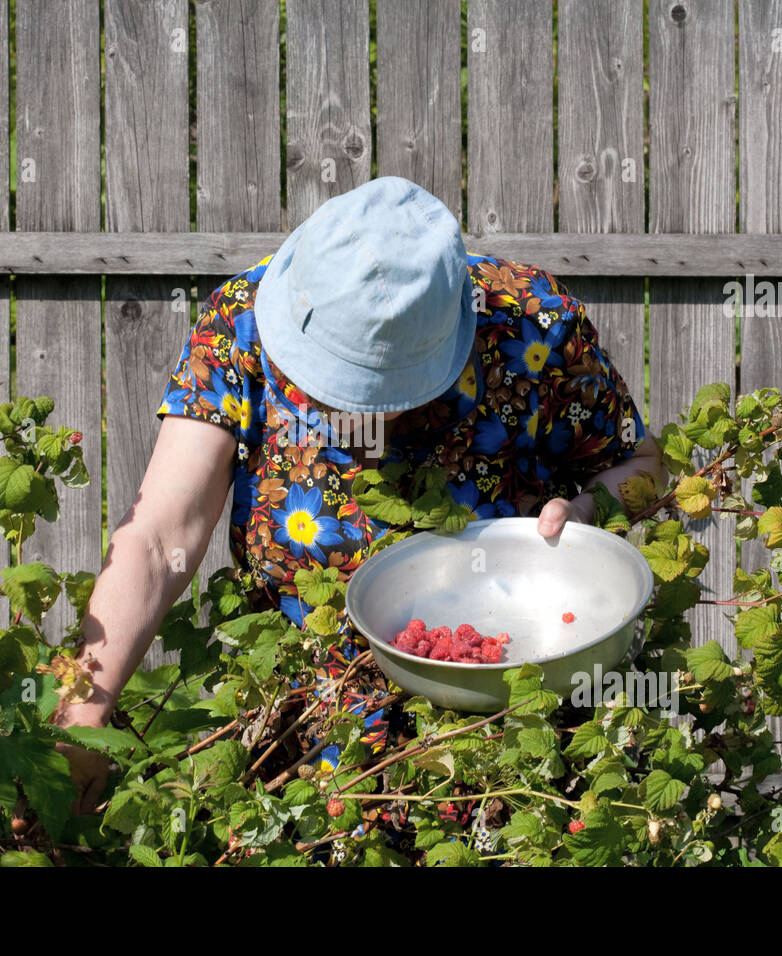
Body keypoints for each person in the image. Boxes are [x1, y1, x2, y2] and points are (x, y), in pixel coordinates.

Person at [54, 176, 665, 829]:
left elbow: (644, 466)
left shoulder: (530, 323)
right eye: (324, 388)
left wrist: (587, 514)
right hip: (308, 766)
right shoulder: (240, 321)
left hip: (514, 755)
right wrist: (81, 716)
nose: (343, 416)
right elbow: (158, 536)